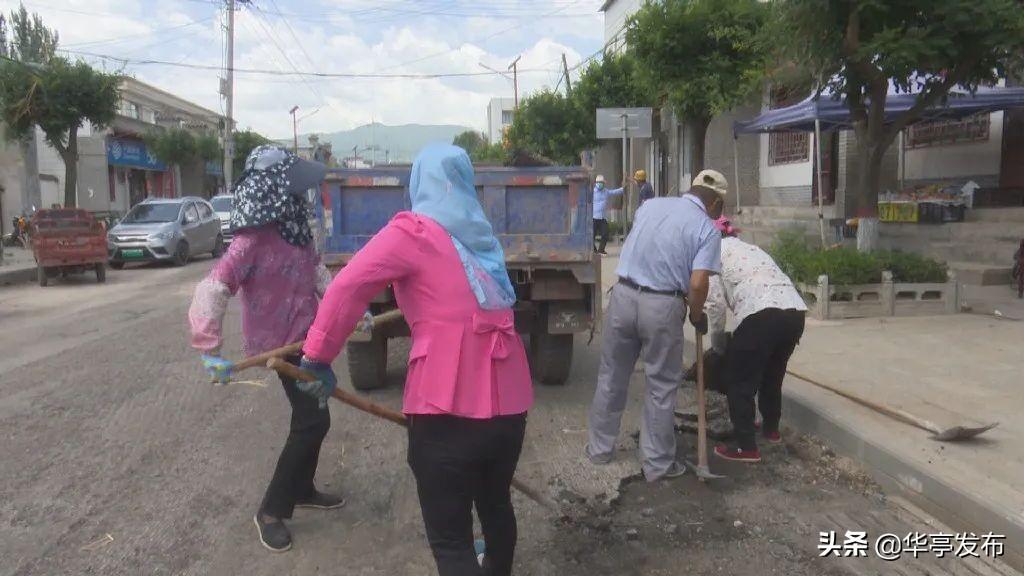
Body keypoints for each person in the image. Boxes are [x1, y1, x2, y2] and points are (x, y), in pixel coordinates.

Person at [296, 144, 533, 576]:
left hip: (446, 403)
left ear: (419, 184)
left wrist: (317, 356)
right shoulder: (482, 238)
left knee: (450, 538)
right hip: (509, 406)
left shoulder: (414, 232)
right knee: (496, 503)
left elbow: (349, 286)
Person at [188, 145, 345, 553]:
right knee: (311, 421)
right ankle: (271, 511)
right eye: (291, 187)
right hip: (280, 346)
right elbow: (214, 287)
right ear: (273, 188)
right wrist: (210, 349)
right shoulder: (250, 242)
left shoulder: (294, 232)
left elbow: (316, 275)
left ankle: (303, 488)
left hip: (308, 339)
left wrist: (345, 312)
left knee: (316, 419)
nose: (299, 196)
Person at [587, 169, 728, 481]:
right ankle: (657, 463)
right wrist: (695, 314)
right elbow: (698, 281)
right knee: (661, 386)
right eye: (722, 207)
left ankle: (599, 450)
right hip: (663, 305)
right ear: (716, 203)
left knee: (612, 375)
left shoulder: (650, 206)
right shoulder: (707, 229)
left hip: (623, 295)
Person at [705, 217, 807, 463]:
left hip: (760, 314)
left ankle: (746, 447)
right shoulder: (751, 248)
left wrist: (719, 346)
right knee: (772, 374)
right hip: (794, 312)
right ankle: (771, 430)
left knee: (739, 381)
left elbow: (715, 305)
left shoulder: (710, 256)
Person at [592, 174, 624, 255]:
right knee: (591, 236)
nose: (600, 184)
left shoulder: (605, 191)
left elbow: (613, 192)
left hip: (603, 218)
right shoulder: (592, 192)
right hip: (594, 217)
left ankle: (601, 250)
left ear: (604, 183)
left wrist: (623, 189)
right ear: (596, 183)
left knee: (605, 234)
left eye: (601, 182)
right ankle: (593, 250)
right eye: (599, 182)